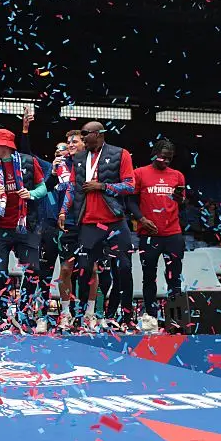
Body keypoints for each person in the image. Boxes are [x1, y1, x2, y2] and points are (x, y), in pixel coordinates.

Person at [61, 121, 136, 331]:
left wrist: (102, 186)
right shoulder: (78, 159)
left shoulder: (121, 154)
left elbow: (130, 185)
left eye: (86, 134)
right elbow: (71, 188)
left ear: (99, 134)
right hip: (88, 222)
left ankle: (125, 316)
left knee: (124, 267)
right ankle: (84, 315)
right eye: (82, 134)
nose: (83, 137)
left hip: (114, 222)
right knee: (84, 269)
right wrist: (63, 210)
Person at [0, 128, 47, 332]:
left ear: (5, 146)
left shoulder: (29, 162)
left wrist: (30, 193)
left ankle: (23, 312)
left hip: (26, 226)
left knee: (34, 271)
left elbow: (43, 189)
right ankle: (5, 314)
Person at [128, 139, 186, 332]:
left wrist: (180, 199)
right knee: (149, 276)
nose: (165, 162)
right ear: (153, 154)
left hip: (173, 234)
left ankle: (175, 318)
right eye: (162, 157)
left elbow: (182, 203)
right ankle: (150, 317)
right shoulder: (140, 173)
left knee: (174, 277)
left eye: (169, 159)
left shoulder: (178, 176)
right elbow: (130, 201)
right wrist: (141, 219)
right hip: (149, 234)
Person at [45, 129, 90, 330]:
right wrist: (54, 175)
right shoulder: (60, 166)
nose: (71, 144)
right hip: (68, 223)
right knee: (66, 269)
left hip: (89, 222)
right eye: (68, 142)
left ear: (85, 144)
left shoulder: (91, 163)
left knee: (91, 269)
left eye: (75, 141)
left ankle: (89, 314)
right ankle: (65, 313)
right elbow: (49, 189)